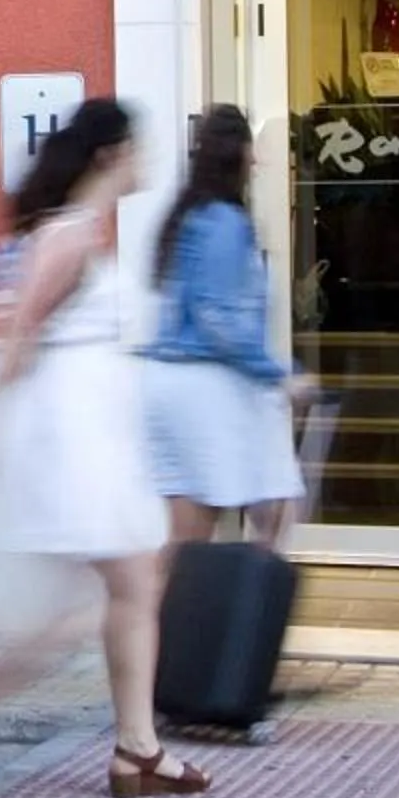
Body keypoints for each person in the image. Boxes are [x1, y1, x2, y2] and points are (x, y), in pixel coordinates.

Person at [0, 100, 208, 798]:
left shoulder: (84, 233)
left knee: (127, 587)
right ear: (110, 155)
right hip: (70, 441)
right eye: (140, 149)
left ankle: (138, 748)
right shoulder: (67, 237)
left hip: (88, 432)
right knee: (92, 606)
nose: (149, 163)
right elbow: (15, 338)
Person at [142, 104, 312, 550]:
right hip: (210, 385)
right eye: (253, 147)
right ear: (237, 152)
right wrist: (278, 373)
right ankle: (205, 612)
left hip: (182, 382)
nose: (257, 160)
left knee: (198, 530)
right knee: (229, 522)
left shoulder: (190, 217)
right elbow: (217, 317)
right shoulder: (225, 223)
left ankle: (170, 613)